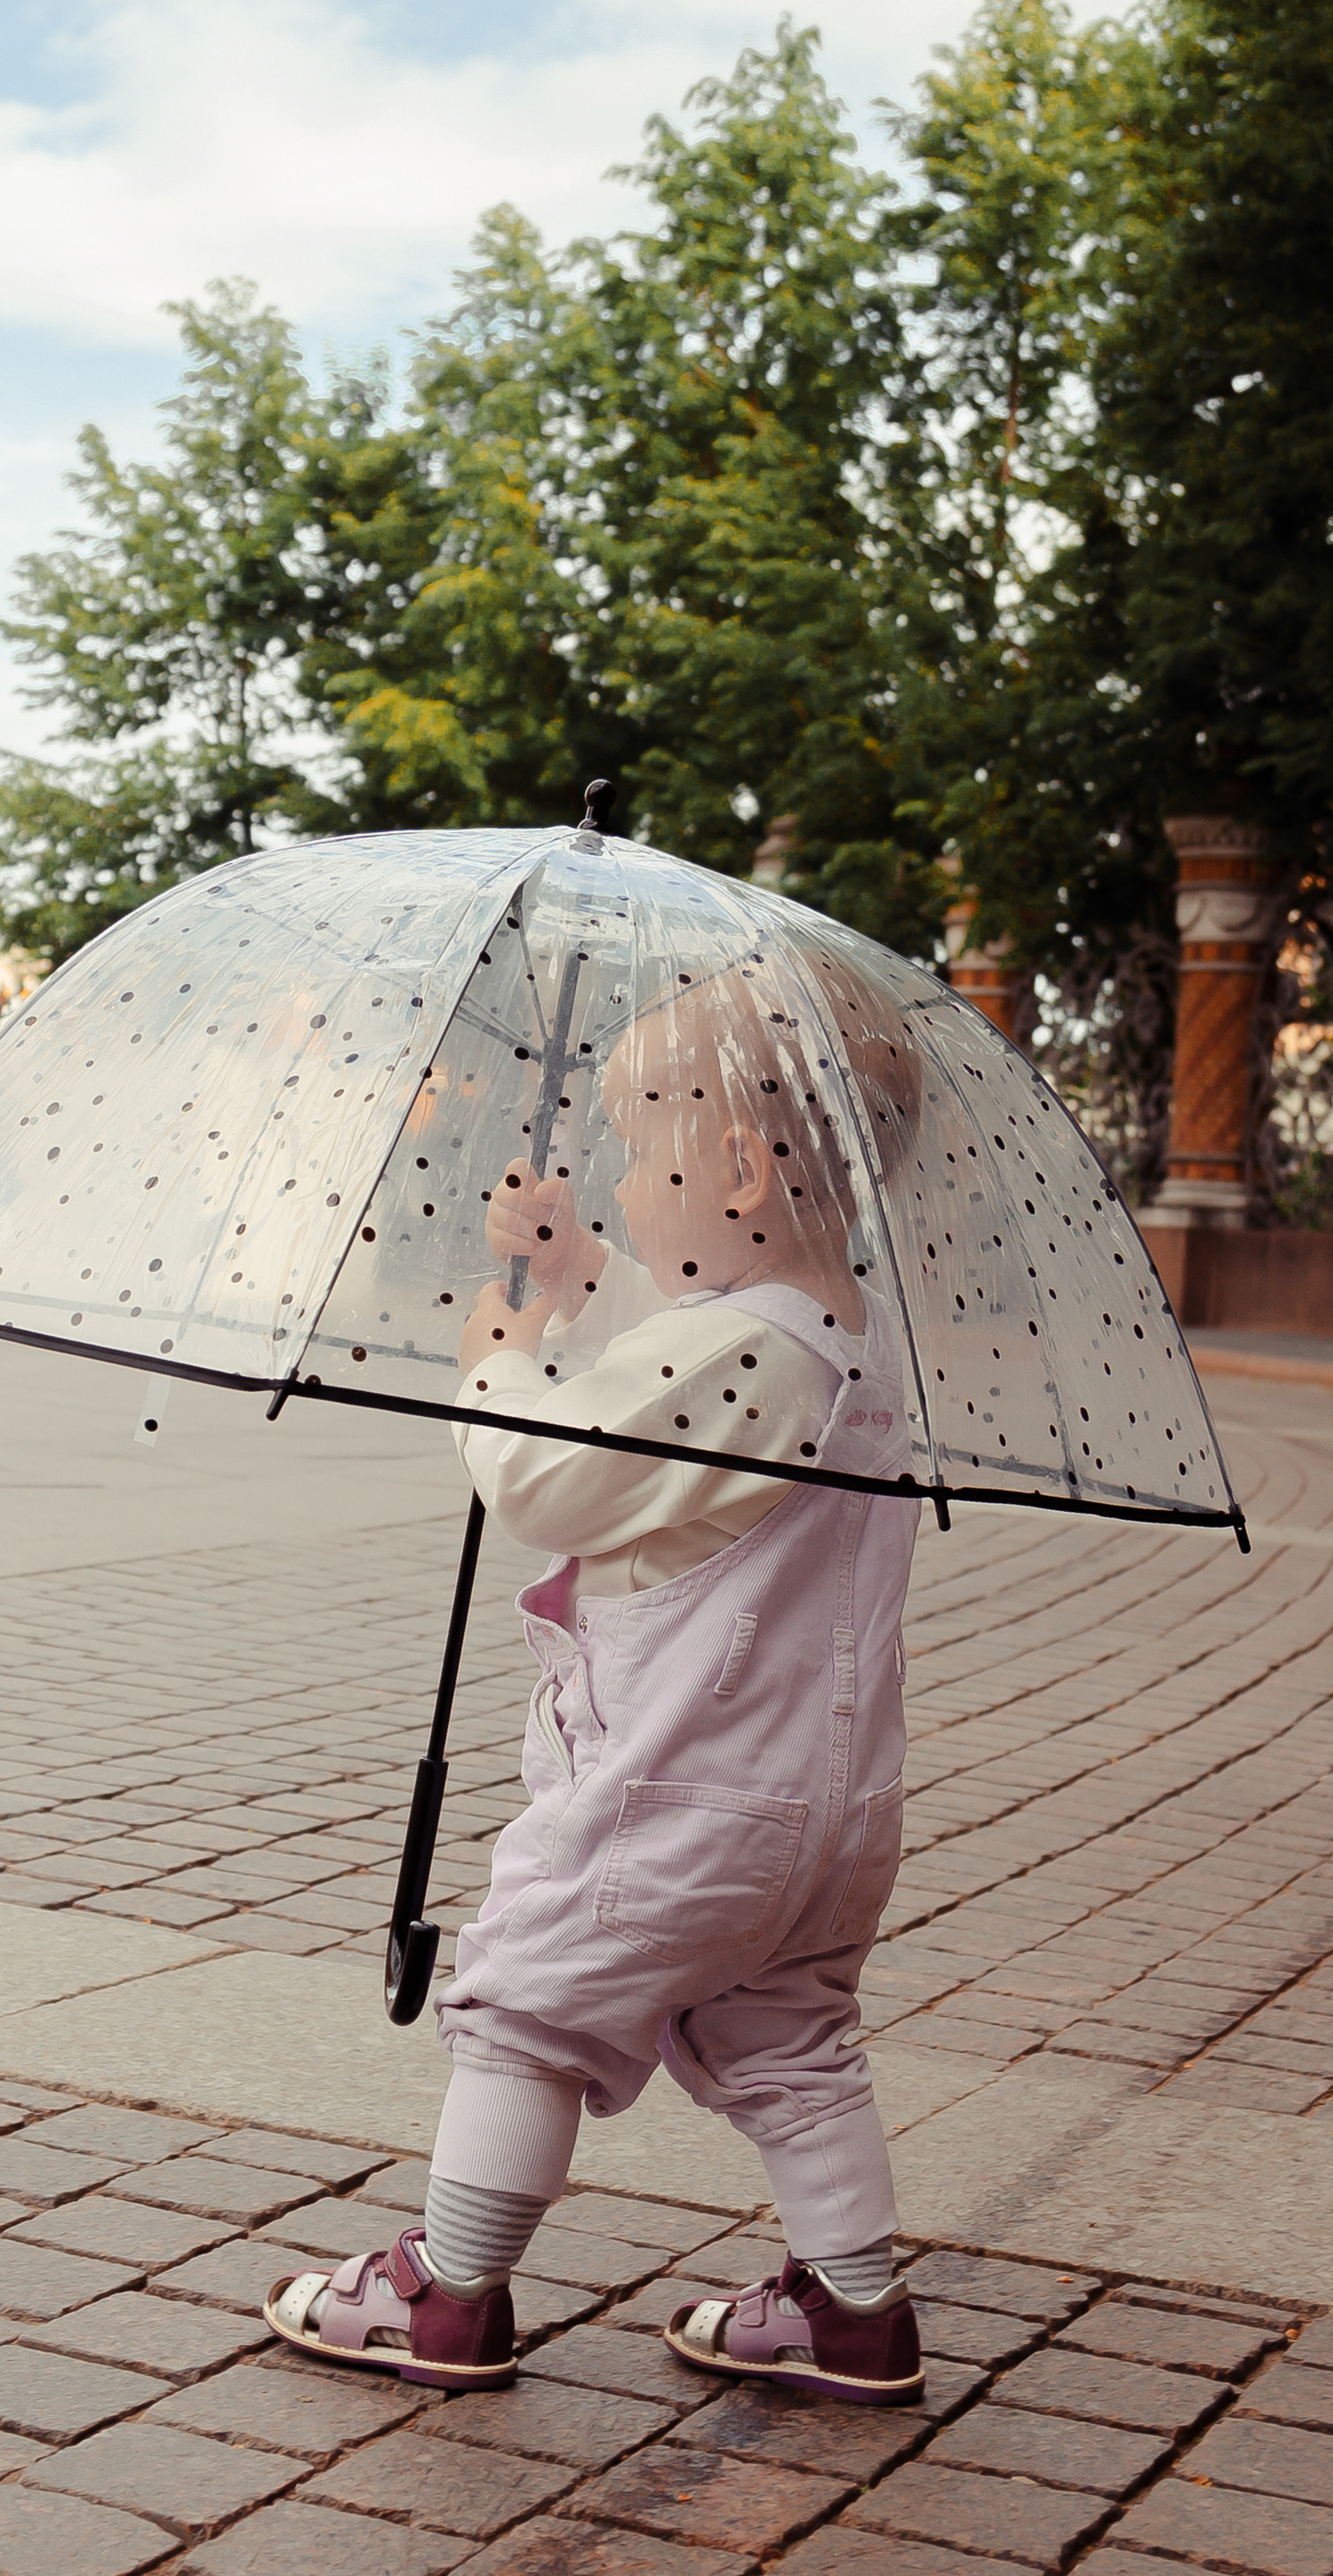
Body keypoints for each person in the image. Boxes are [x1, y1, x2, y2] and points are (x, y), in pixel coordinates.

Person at [266, 962, 930, 2405]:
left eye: (641, 1152)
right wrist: (582, 1275)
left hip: (670, 1796)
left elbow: (558, 1479)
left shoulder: (741, 1349)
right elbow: (681, 1377)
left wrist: (498, 1366)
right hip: (827, 1821)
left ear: (739, 1168)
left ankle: (449, 2292)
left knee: (525, 2012)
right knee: (793, 2039)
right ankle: (854, 2311)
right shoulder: (853, 1341)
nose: (625, 1183)